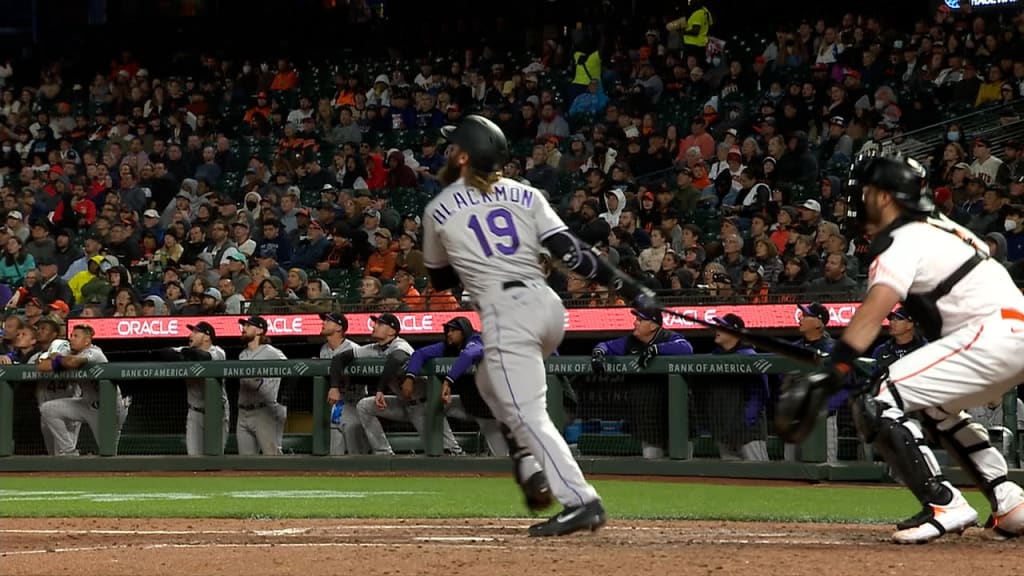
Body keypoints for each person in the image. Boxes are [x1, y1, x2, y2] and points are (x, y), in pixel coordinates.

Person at [422, 115, 658, 536]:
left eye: (451, 146)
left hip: (505, 313)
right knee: (489, 381)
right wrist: (626, 286)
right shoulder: (525, 193)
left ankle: (581, 499)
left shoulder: (438, 207)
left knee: (528, 412)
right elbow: (569, 252)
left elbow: (439, 280)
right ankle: (530, 462)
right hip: (548, 308)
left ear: (463, 156)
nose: (446, 153)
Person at [777, 154, 1024, 543]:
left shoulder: (902, 237)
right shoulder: (945, 229)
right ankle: (1010, 502)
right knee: (935, 408)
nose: (860, 200)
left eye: (868, 192)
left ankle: (943, 502)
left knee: (879, 398)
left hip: (988, 334)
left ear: (887, 197)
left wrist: (836, 367)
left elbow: (877, 306)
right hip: (1008, 334)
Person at [401, 316, 552, 510]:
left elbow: (469, 355)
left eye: (453, 330)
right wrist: (410, 376)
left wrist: (448, 380)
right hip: (473, 406)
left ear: (464, 331)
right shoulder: (447, 347)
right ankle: (451, 450)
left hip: (499, 411)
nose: (449, 334)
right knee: (432, 405)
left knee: (504, 459)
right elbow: (420, 354)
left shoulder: (478, 340)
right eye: (447, 330)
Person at [329, 313, 463, 455]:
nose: (374, 326)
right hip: (402, 403)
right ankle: (383, 453)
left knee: (444, 450)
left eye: (380, 324)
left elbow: (396, 359)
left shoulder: (400, 345)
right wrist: (334, 387)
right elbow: (339, 359)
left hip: (423, 406)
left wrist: (380, 389)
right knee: (364, 406)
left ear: (392, 331)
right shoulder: (373, 348)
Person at [591, 307, 694, 459]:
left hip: (674, 411)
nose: (635, 323)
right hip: (648, 414)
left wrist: (656, 349)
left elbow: (687, 348)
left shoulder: (668, 336)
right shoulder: (630, 341)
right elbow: (605, 346)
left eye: (640, 320)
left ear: (653, 325)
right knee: (651, 458)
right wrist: (598, 353)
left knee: (681, 459)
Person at [37, 324, 130, 455]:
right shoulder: (70, 353)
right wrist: (58, 358)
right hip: (87, 404)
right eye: (71, 336)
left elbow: (73, 362)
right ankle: (69, 452)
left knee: (108, 452)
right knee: (48, 409)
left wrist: (57, 358)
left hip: (108, 408)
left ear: (87, 341)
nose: (71, 339)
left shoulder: (95, 352)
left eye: (76, 336)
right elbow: (42, 366)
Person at [154, 321, 228, 456]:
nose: (190, 335)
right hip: (194, 412)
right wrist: (185, 353)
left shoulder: (218, 352)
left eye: (195, 332)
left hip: (216, 412)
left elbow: (204, 357)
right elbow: (163, 353)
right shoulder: (188, 349)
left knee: (215, 457)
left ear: (207, 337)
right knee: (193, 457)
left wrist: (184, 354)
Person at [705, 314, 770, 461]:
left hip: (748, 434)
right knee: (732, 480)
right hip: (723, 432)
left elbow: (759, 395)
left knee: (761, 476)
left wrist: (744, 423)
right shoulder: (713, 358)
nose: (717, 329)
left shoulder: (750, 357)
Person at [319, 312, 371, 456]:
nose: (323, 323)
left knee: (357, 453)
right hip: (335, 405)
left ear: (339, 328)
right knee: (335, 454)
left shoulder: (354, 349)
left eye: (328, 321)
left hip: (354, 402)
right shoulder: (323, 350)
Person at [236, 315, 288, 455]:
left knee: (272, 460)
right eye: (243, 325)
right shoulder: (242, 355)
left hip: (264, 411)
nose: (244, 328)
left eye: (248, 325)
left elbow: (293, 370)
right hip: (243, 412)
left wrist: (283, 400)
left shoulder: (271, 353)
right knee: (245, 465)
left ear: (259, 330)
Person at [27, 320, 76, 455]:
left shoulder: (65, 348)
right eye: (38, 328)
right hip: (45, 409)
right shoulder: (34, 358)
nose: (39, 331)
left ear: (54, 334)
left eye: (44, 328)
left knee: (66, 453)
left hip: (69, 409)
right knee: (52, 453)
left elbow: (59, 358)